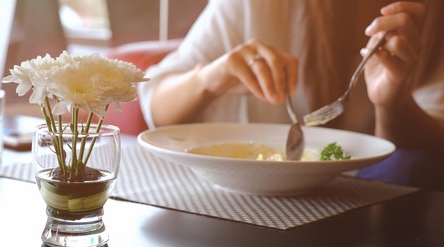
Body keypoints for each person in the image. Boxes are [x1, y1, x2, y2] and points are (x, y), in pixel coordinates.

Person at [138, 0, 444, 189]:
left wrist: (392, 102)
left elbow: (419, 158)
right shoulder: (255, 5)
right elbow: (156, 107)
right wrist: (209, 79)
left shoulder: (429, 17)